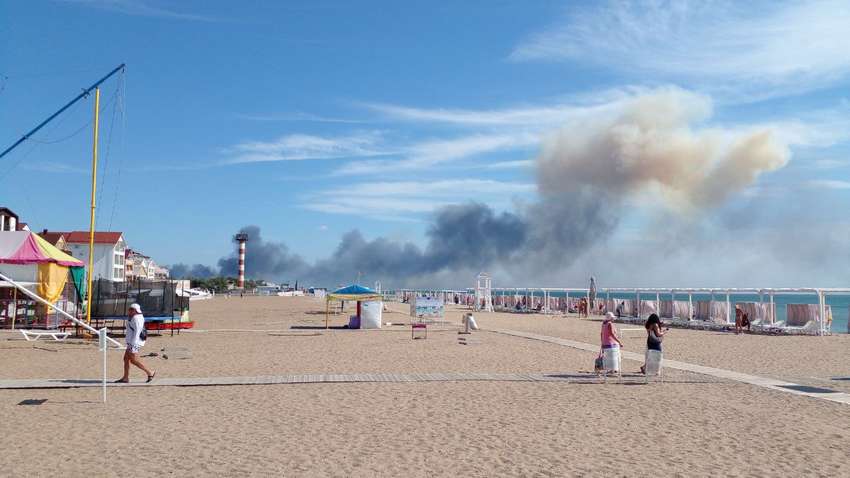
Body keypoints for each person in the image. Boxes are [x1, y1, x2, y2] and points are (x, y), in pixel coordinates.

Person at [116, 303, 155, 383]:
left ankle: (150, 372)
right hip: (132, 342)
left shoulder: (137, 318)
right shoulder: (133, 317)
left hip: (135, 342)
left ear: (135, 310)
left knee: (133, 360)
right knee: (126, 359)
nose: (129, 311)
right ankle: (125, 377)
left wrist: (133, 344)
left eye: (130, 309)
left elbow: (137, 332)